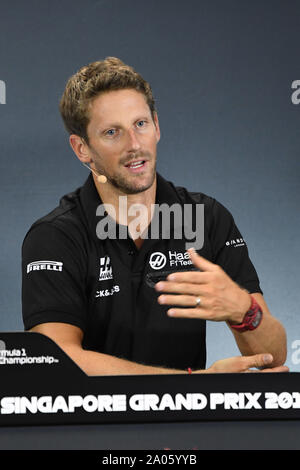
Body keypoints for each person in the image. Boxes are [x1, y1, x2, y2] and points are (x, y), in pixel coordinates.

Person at [22, 57, 288, 375]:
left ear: (157, 126)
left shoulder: (206, 218)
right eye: (111, 132)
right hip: (92, 425)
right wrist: (192, 387)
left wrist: (245, 311)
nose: (134, 145)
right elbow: (57, 360)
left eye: (140, 124)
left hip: (189, 425)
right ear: (82, 149)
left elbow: (274, 355)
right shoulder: (55, 237)